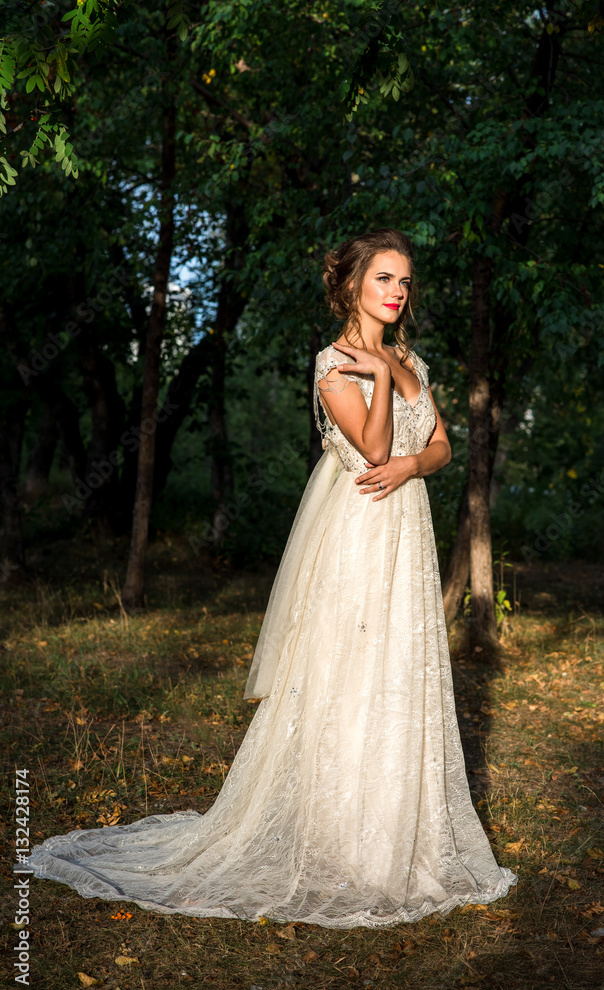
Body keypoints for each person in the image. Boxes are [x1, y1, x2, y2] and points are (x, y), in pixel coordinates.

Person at [24, 228, 517, 929]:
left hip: (404, 523)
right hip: (356, 528)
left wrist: (412, 459)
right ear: (351, 286)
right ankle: (337, 835)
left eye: (404, 281)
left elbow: (435, 446)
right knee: (347, 669)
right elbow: (371, 446)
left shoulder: (410, 357)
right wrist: (374, 378)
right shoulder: (332, 363)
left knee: (397, 669)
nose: (397, 292)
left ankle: (394, 833)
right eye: (383, 279)